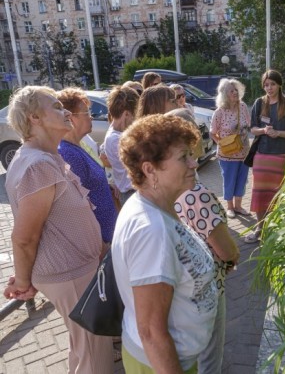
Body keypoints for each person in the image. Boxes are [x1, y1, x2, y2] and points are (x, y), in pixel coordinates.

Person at [3, 86, 114, 373]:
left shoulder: (44, 156)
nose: (65, 111)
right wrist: (24, 281)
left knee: (84, 349)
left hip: (75, 270)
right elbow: (25, 237)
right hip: (70, 273)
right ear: (34, 118)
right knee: (95, 356)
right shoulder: (38, 164)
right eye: (55, 106)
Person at [112, 114, 218, 373]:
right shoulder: (151, 231)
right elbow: (150, 332)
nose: (194, 163)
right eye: (183, 157)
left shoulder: (157, 207)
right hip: (160, 364)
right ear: (150, 170)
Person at [175, 182, 239, 374]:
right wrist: (233, 258)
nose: (193, 163)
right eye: (184, 156)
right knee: (210, 359)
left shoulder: (160, 196)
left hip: (182, 290)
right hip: (208, 288)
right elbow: (226, 251)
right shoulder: (195, 194)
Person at [245, 70, 285, 243]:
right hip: (262, 155)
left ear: (279, 85)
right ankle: (260, 229)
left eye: (272, 84)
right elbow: (252, 129)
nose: (269, 88)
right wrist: (263, 131)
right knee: (260, 193)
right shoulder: (259, 103)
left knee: (278, 194)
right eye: (266, 84)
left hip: (281, 157)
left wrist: (278, 133)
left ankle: (278, 228)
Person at [56, 87, 117, 244]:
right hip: (98, 243)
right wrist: (99, 245)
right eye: (87, 113)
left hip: (106, 236)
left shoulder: (79, 146)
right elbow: (79, 206)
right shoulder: (69, 153)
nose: (91, 118)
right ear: (70, 118)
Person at [209, 78, 251, 218]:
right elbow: (212, 132)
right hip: (227, 154)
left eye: (236, 90)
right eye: (231, 91)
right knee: (229, 180)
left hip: (243, 151)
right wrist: (221, 143)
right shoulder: (220, 112)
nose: (235, 93)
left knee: (242, 179)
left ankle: (238, 206)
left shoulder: (243, 106)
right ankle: (230, 207)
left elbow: (249, 124)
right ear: (225, 94)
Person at [102, 85, 140, 206]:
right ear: (127, 114)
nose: (136, 118)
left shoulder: (117, 132)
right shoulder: (116, 139)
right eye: (135, 113)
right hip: (132, 194)